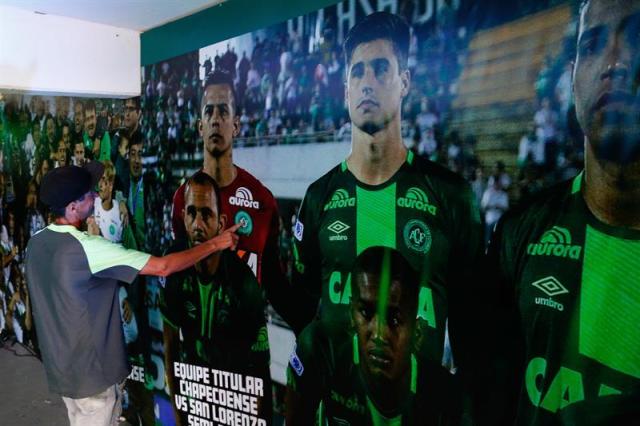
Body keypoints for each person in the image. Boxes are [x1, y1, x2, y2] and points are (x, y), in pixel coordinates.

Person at [290, 11, 482, 385]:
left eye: (381, 69)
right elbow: (304, 317)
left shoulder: (450, 196)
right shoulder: (319, 197)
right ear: (345, 91)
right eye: (357, 72)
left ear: (405, 82)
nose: (367, 83)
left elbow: (471, 331)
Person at [485, 1, 640, 424]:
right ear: (571, 78)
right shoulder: (520, 231)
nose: (613, 63)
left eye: (636, 37)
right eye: (591, 45)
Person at [25, 163, 240, 426]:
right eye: (88, 193)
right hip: (94, 379)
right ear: (72, 207)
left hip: (63, 372)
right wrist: (216, 243)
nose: (95, 195)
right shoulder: (88, 248)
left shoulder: (36, 243)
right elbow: (164, 266)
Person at [286, 246, 461, 425]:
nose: (378, 334)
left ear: (417, 333)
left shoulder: (445, 398)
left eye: (394, 319)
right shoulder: (320, 351)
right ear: (352, 316)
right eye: (366, 313)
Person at [171, 70, 290, 320]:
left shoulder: (262, 200)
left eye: (223, 111)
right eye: (209, 111)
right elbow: (178, 272)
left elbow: (275, 283)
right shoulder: (182, 198)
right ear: (199, 126)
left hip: (247, 349)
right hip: (199, 350)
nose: (216, 120)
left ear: (236, 125)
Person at [162, 171, 272, 426]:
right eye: (191, 213)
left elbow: (258, 372)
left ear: (221, 223)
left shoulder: (243, 282)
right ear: (183, 218)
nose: (198, 224)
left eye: (206, 214)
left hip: (232, 403)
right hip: (194, 397)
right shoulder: (174, 266)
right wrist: (178, 412)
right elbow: (170, 345)